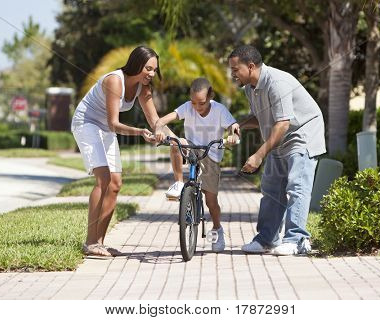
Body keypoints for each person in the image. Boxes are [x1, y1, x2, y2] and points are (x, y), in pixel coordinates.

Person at [72, 46, 173, 258]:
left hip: (106, 128)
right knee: (103, 179)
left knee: (116, 184)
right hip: (87, 123)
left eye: (155, 70)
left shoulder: (144, 88)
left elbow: (155, 121)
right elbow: (113, 123)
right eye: (148, 68)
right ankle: (90, 242)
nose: (152, 74)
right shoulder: (114, 81)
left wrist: (174, 138)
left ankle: (99, 243)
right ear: (137, 64)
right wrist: (140, 132)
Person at [228, 45, 326, 256]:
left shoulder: (277, 83)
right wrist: (240, 125)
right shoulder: (250, 88)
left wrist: (259, 154)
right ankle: (266, 240)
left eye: (236, 70)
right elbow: (262, 116)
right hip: (282, 136)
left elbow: (282, 123)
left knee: (296, 186)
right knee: (271, 188)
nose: (233, 74)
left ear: (251, 66)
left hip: (302, 134)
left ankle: (297, 240)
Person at [154, 77, 240, 252]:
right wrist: (158, 130)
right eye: (193, 102)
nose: (196, 107)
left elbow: (234, 126)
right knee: (176, 142)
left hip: (211, 154)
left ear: (210, 97)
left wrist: (233, 136)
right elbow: (161, 121)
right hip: (191, 148)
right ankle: (179, 183)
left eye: (201, 103)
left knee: (211, 201)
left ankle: (217, 229)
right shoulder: (187, 107)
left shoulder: (219, 110)